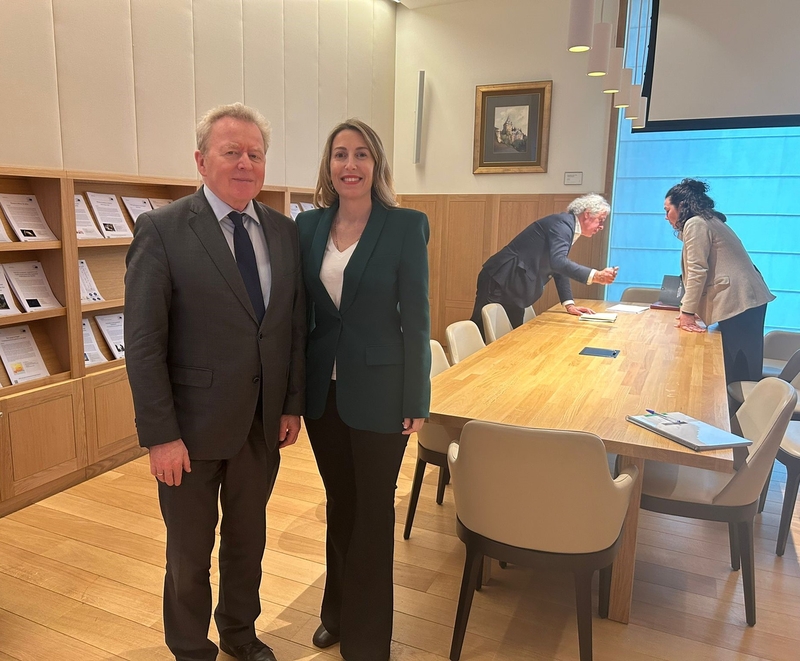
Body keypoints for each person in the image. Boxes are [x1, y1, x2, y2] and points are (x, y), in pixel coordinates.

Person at [124, 103, 305, 661]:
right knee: (190, 552)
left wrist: (290, 404)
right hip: (189, 433)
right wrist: (160, 435)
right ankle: (189, 647)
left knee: (248, 542)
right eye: (232, 152)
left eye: (255, 153)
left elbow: (291, 325)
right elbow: (145, 342)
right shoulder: (162, 230)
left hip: (260, 424)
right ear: (202, 161)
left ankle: (239, 634)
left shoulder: (282, 232)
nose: (245, 163)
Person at [296, 119, 431, 661]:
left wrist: (416, 399)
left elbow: (417, 318)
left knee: (373, 510)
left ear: (376, 165)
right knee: (340, 502)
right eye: (339, 155)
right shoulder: (307, 227)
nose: (349, 165)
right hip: (322, 393)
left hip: (382, 390)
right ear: (328, 166)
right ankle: (337, 613)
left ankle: (370, 638)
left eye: (360, 155)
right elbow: (301, 311)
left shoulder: (404, 225)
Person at [664, 178, 774, 384]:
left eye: (667, 210)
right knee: (742, 367)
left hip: (739, 300)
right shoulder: (710, 220)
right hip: (747, 299)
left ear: (681, 206)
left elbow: (698, 271)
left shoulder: (695, 223)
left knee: (738, 370)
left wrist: (687, 313)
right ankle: (740, 412)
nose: (666, 217)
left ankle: (739, 414)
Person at [470, 193, 618, 338]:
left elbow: (558, 266)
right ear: (587, 214)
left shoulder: (568, 227)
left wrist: (569, 303)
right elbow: (558, 262)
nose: (601, 227)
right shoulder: (562, 225)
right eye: (601, 220)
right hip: (501, 278)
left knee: (512, 337)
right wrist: (595, 275)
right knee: (482, 332)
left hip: (515, 284)